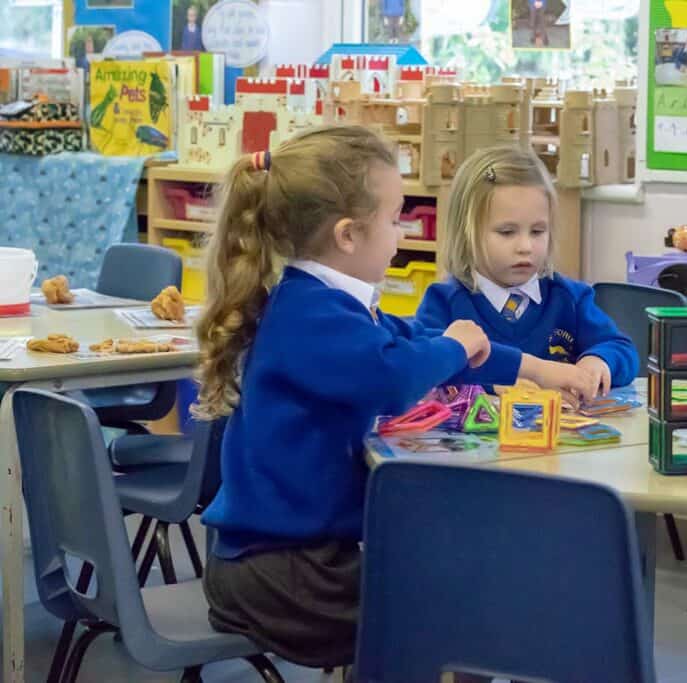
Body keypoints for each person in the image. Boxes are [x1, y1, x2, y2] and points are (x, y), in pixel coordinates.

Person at [193, 127, 592, 668]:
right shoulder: (311, 316)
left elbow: (417, 343)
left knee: (460, 586)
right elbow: (396, 377)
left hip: (293, 558)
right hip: (282, 574)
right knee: (460, 607)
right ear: (348, 235)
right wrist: (453, 345)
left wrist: (541, 369)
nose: (402, 233)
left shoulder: (326, 303)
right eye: (395, 217)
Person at [417, 145, 639, 402]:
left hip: (561, 438)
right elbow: (426, 366)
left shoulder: (569, 297)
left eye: (537, 232)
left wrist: (598, 361)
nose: (526, 247)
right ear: (466, 234)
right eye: (507, 232)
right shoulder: (444, 302)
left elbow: (621, 347)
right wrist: (494, 386)